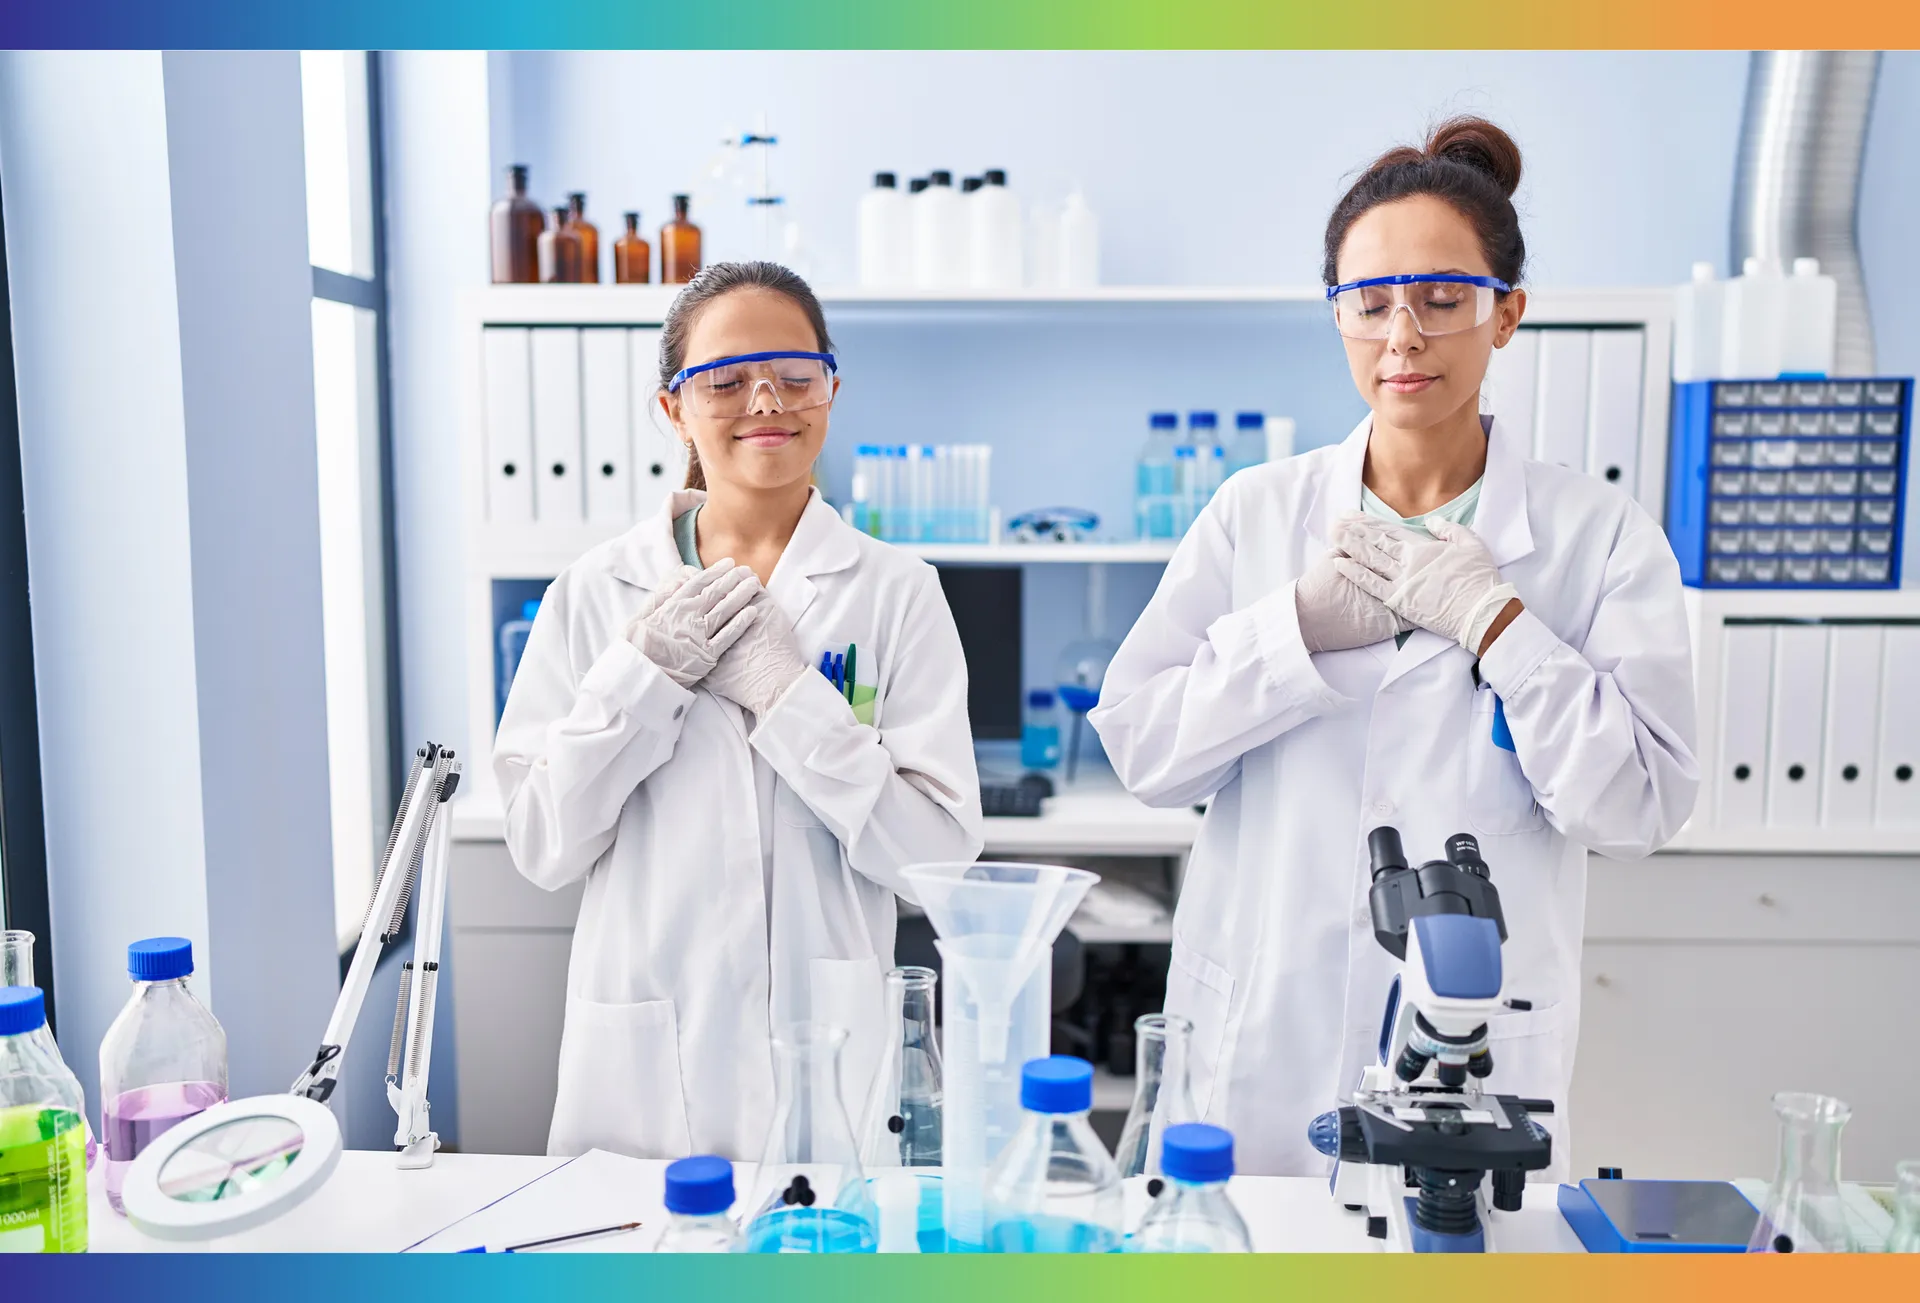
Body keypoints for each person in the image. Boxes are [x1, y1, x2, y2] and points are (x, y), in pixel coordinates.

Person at [1089, 118, 1697, 1179]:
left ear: (1507, 312)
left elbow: (1637, 805)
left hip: (1474, 1055)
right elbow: (1146, 751)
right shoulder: (1256, 514)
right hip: (1261, 1041)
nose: (1403, 336)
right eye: (1369, 305)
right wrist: (1297, 632)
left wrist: (1502, 628)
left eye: (1443, 299)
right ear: (1336, 318)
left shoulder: (1597, 539)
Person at [494, 261, 983, 1160]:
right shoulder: (596, 594)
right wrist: (640, 682)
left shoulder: (897, 593)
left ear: (830, 387)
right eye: (724, 380)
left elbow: (935, 862)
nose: (767, 400)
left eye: (796, 375)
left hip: (827, 1055)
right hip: (640, 1066)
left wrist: (793, 702)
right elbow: (543, 846)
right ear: (673, 407)